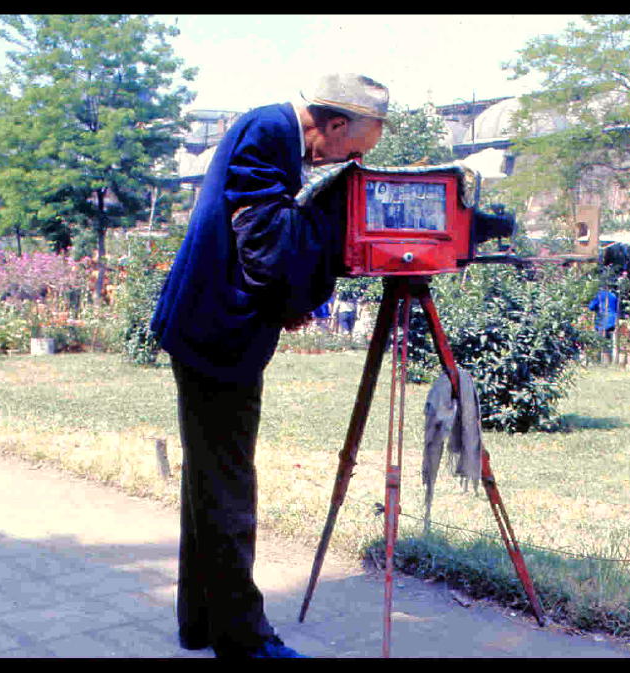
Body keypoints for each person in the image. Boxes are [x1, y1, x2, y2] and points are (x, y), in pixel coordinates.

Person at [149, 73, 388, 659]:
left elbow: (263, 241)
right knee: (228, 485)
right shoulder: (269, 130)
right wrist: (298, 295)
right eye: (352, 150)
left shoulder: (275, 132)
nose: (345, 162)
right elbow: (265, 242)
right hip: (217, 336)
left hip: (214, 331)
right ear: (333, 123)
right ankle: (244, 640)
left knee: (210, 482)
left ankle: (201, 623)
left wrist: (291, 296)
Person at [588, 286, 619, 364]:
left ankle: (597, 360)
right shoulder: (613, 295)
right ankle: (608, 360)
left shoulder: (599, 295)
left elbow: (591, 307)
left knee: (599, 340)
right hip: (612, 321)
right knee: (608, 341)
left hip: (601, 321)